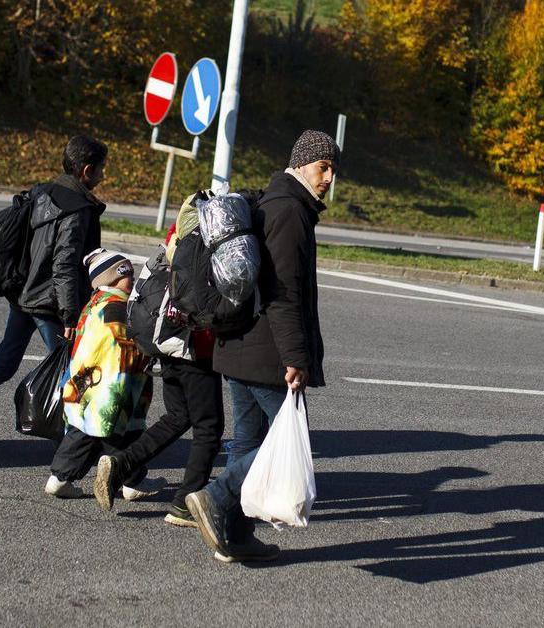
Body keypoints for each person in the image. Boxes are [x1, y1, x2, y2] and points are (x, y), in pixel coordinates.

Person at [185, 129, 335, 563]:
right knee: (286, 441)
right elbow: (282, 292)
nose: (328, 178)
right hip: (268, 352)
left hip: (240, 347)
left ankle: (234, 535)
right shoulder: (290, 211)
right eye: (323, 167)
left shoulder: (278, 201)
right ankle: (215, 496)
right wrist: (295, 357)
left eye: (332, 170)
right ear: (303, 162)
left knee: (249, 443)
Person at [0, 135, 108, 453]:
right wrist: (71, 314)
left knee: (4, 362)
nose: (103, 176)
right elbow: (65, 265)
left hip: (23, 294)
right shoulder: (77, 209)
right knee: (72, 370)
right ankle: (75, 448)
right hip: (49, 304)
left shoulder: (43, 192)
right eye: (101, 170)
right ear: (86, 171)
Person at [92, 212, 225, 526]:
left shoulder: (177, 237)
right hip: (193, 345)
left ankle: (121, 463)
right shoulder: (210, 246)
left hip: (164, 337)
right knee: (209, 428)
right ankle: (184, 504)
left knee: (178, 416)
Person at [45, 249, 162, 499]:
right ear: (109, 280)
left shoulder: (95, 303)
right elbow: (127, 342)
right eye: (126, 276)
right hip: (114, 385)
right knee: (122, 435)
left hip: (88, 384)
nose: (131, 281)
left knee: (84, 432)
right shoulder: (116, 307)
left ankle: (59, 477)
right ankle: (132, 481)